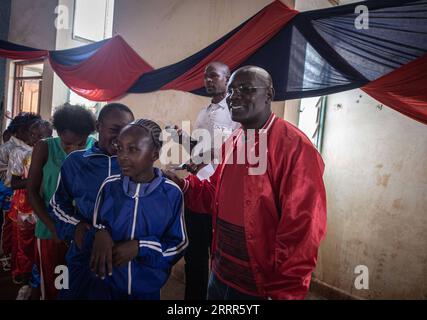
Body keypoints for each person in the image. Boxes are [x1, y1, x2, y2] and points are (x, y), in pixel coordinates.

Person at [164, 66, 327, 300]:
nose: (234, 96)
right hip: (220, 275)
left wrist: (284, 292)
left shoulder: (295, 148)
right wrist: (184, 185)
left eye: (246, 89)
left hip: (259, 287)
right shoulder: (234, 140)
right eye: (230, 91)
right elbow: (214, 192)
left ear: (269, 94)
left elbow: (303, 231)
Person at [88, 119, 187, 299]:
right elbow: (97, 224)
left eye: (132, 149)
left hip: (146, 290)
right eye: (119, 148)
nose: (123, 156)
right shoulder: (109, 186)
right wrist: (99, 232)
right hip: (107, 285)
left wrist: (140, 247)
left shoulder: (171, 194)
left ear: (154, 154)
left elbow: (178, 245)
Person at [48, 103, 134, 299]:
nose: (121, 137)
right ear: (98, 126)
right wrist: (77, 227)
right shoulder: (76, 162)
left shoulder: (138, 164)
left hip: (124, 258)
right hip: (83, 256)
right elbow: (57, 204)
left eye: (127, 130)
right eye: (114, 130)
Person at [170, 62, 238, 300]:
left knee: (218, 255)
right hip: (196, 189)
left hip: (218, 192)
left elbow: (229, 151)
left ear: (227, 78)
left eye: (214, 76)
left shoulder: (234, 112)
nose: (208, 81)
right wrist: (181, 138)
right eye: (206, 77)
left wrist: (203, 160)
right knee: (194, 253)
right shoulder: (204, 112)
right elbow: (200, 149)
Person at [27, 104, 96, 300]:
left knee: (78, 285)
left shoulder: (94, 148)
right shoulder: (44, 147)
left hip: (83, 233)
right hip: (51, 233)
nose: (73, 149)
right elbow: (32, 192)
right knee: (56, 284)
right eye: (67, 144)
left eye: (80, 143)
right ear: (58, 133)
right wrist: (54, 228)